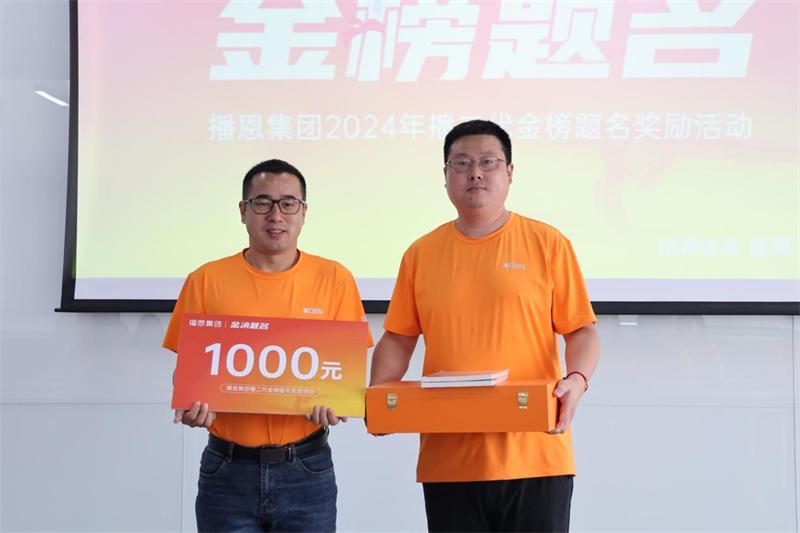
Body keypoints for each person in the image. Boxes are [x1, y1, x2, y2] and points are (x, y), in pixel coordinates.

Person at [370, 120, 600, 532]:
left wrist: (578, 380)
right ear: (445, 176)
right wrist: (380, 400)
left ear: (509, 172)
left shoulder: (548, 243)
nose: (475, 173)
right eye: (461, 163)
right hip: (449, 461)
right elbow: (399, 338)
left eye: (488, 162)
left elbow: (581, 329)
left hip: (537, 454)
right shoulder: (421, 253)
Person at [163, 158, 369, 532]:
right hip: (226, 471)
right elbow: (187, 374)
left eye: (288, 203)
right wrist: (191, 406)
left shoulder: (335, 279)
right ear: (243, 211)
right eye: (263, 203)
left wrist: (337, 403)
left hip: (307, 469)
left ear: (303, 212)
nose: (276, 215)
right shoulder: (206, 280)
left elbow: (344, 377)